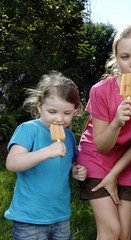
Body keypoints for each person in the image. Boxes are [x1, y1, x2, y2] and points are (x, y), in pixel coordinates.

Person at [77, 24, 131, 240]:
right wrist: (117, 122)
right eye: (125, 57)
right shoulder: (100, 91)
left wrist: (115, 173)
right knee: (111, 231)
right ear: (116, 58)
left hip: (128, 161)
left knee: (124, 235)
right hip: (96, 158)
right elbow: (101, 144)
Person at [4, 71, 87, 240]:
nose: (59, 119)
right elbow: (12, 163)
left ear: (75, 111)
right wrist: (45, 152)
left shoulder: (69, 137)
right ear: (39, 106)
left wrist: (74, 171)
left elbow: (63, 166)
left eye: (66, 113)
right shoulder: (29, 130)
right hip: (29, 219)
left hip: (60, 217)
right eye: (52, 111)